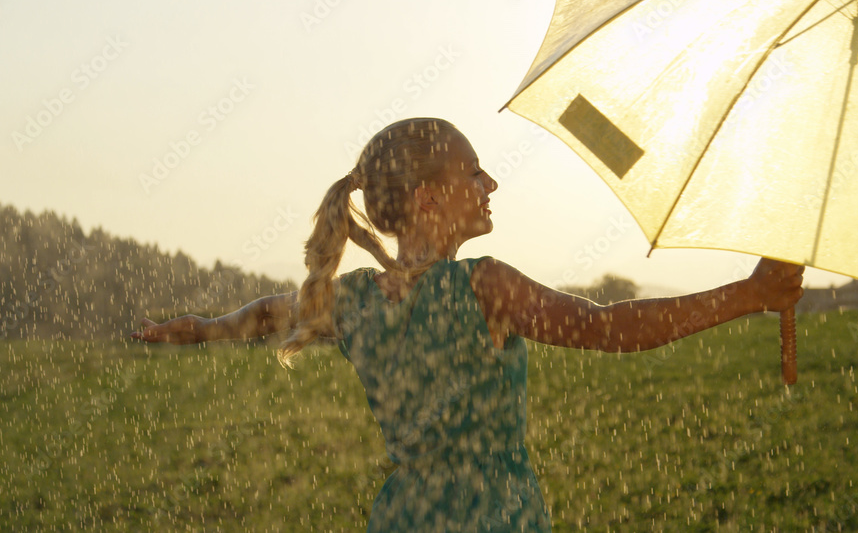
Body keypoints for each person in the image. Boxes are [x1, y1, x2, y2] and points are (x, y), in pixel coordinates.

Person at [132, 117, 804, 532]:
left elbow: (252, 319)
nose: (491, 184)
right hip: (492, 518)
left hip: (403, 517)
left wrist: (186, 327)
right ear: (428, 199)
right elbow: (608, 328)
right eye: (473, 172)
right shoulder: (485, 286)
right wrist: (750, 294)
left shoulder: (351, 301)